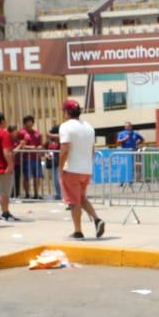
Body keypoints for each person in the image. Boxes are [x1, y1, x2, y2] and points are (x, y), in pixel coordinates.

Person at [58, 99, 105, 239]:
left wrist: (60, 168)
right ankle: (97, 219)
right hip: (86, 169)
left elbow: (64, 150)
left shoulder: (65, 127)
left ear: (67, 112)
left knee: (74, 202)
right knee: (81, 198)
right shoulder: (89, 126)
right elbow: (92, 149)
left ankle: (78, 231)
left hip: (72, 169)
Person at [17, 116, 44, 199]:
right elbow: (20, 145)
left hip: (36, 157)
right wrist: (30, 147)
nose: (30, 123)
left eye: (31, 121)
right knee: (27, 177)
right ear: (25, 123)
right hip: (26, 158)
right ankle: (27, 194)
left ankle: (36, 194)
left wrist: (40, 147)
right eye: (28, 121)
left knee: (37, 176)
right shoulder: (21, 133)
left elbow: (41, 144)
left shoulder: (37, 132)